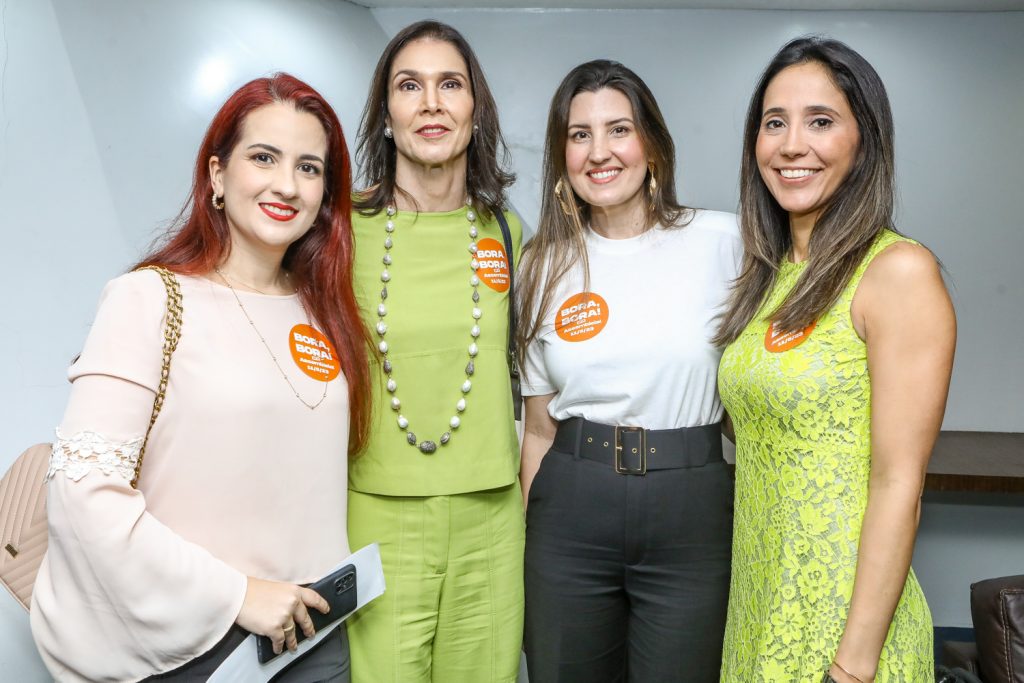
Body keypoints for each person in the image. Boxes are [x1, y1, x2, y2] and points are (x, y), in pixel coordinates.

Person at [30, 73, 371, 682]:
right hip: (192, 646)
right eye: (263, 157)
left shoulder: (325, 313)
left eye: (310, 167)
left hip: (314, 636)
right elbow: (83, 496)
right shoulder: (148, 299)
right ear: (217, 176)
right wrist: (239, 594)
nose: (286, 185)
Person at [715, 37, 956, 683]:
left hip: (846, 629)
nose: (793, 144)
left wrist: (852, 665)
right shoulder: (769, 276)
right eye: (775, 122)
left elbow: (898, 485)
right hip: (759, 604)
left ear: (864, 140)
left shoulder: (897, 271)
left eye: (821, 120)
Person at [517, 59, 742, 683]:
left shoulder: (725, 242)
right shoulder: (541, 263)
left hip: (691, 505)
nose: (599, 151)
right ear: (562, 154)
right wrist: (537, 528)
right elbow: (537, 428)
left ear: (653, 144)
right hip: (571, 506)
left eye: (619, 129)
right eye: (579, 134)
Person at [345, 20, 523, 683]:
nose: (430, 103)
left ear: (476, 111)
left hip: (492, 518)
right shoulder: (338, 232)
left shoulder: (509, 233)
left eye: (451, 84)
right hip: (373, 511)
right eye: (409, 85)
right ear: (386, 115)